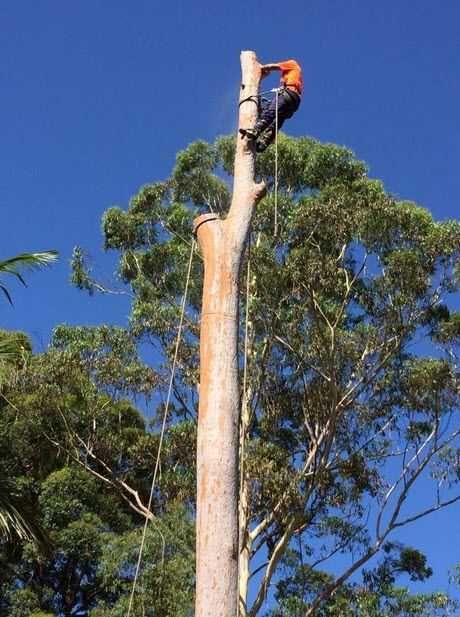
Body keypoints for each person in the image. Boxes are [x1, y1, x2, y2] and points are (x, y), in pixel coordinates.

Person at [240, 59, 303, 152]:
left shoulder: (292, 64)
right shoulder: (294, 76)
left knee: (270, 112)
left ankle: (255, 130)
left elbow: (274, 66)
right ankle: (264, 143)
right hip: (294, 102)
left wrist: (262, 68)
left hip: (288, 95)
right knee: (276, 122)